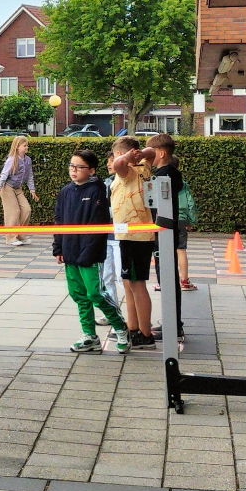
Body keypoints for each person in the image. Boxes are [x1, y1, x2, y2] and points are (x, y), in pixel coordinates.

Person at [53, 150, 130, 353]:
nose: (74, 170)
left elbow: (98, 225)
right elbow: (59, 221)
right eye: (71, 166)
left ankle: (121, 328)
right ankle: (89, 336)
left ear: (92, 170)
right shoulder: (65, 192)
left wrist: (88, 252)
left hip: (90, 254)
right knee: (79, 295)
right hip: (70, 252)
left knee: (95, 294)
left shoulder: (98, 191)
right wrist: (58, 248)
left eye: (79, 167)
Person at [107, 136, 158, 350]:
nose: (110, 163)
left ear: (120, 155)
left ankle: (145, 333)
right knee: (128, 283)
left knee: (137, 285)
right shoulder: (143, 166)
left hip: (135, 235)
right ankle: (133, 326)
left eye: (113, 157)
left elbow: (120, 164)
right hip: (129, 235)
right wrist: (140, 154)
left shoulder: (128, 171)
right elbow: (152, 153)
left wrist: (128, 157)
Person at [146, 133, 197, 292]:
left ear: (161, 153)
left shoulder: (163, 175)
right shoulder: (173, 173)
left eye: (150, 151)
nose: (147, 155)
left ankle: (172, 313)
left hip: (164, 227)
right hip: (168, 225)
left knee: (166, 267)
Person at [0, 136, 37, 246]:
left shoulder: (27, 160)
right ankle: (10, 238)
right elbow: (4, 174)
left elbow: (30, 176)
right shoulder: (12, 159)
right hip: (7, 187)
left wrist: (32, 190)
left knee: (27, 209)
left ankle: (20, 235)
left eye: (27, 145)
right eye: (24, 145)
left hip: (18, 188)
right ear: (17, 147)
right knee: (13, 212)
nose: (27, 147)